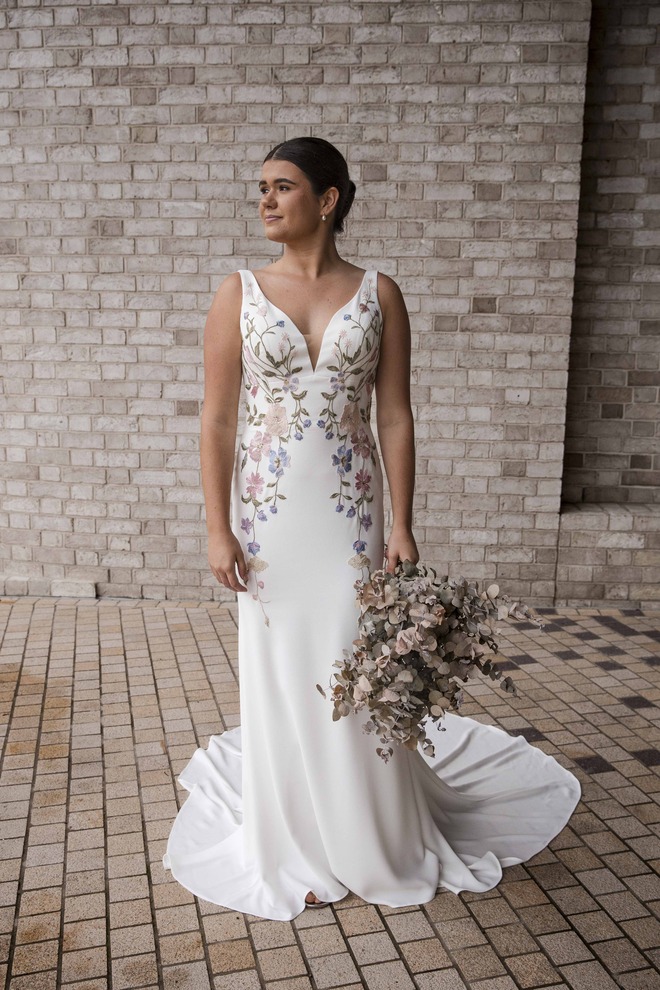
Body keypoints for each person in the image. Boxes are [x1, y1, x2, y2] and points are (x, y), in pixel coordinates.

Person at [162, 137, 581, 921]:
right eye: (261, 188)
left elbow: (395, 415)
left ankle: (369, 834)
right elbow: (217, 420)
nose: (265, 201)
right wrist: (217, 528)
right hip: (271, 518)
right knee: (286, 670)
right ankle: (297, 843)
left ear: (328, 199)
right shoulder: (238, 295)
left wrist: (404, 526)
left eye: (282, 187)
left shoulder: (379, 293)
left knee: (354, 665)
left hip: (351, 515)